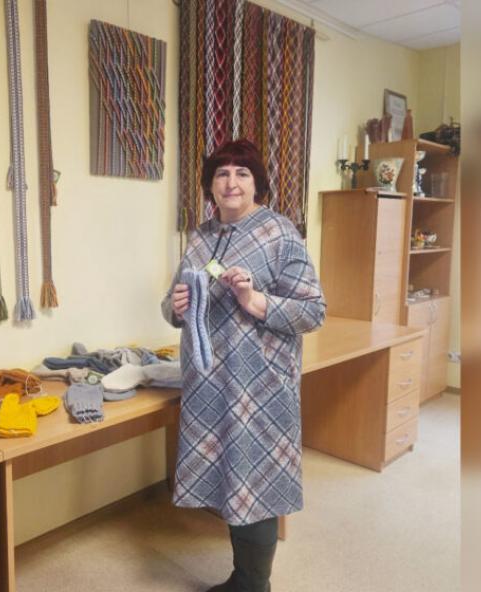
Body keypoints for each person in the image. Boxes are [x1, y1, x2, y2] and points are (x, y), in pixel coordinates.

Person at [161, 139, 326, 592]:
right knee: (229, 478)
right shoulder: (201, 237)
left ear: (257, 184)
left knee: (254, 479)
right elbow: (171, 304)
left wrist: (255, 301)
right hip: (207, 384)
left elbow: (313, 312)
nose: (231, 182)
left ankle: (255, 584)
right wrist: (174, 307)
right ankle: (242, 578)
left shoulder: (280, 234)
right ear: (209, 186)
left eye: (242, 173)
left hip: (259, 387)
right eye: (221, 173)